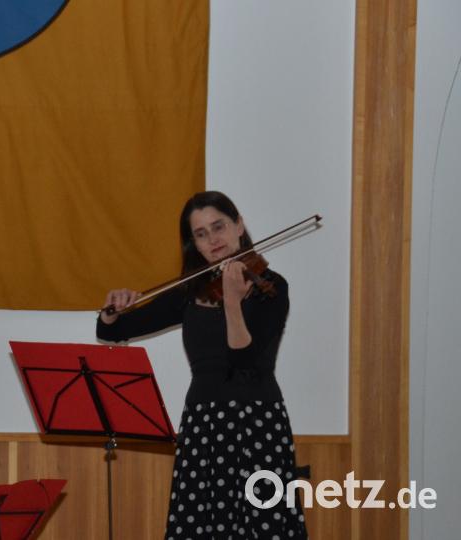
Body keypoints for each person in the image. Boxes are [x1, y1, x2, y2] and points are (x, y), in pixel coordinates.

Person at [97, 191, 307, 539]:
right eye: (201, 234)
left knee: (262, 527)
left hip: (258, 422)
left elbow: (244, 359)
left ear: (239, 225)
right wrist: (112, 309)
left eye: (219, 226)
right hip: (204, 424)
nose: (213, 239)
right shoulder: (190, 293)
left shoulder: (272, 287)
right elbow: (114, 329)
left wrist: (232, 302)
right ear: (194, 244)